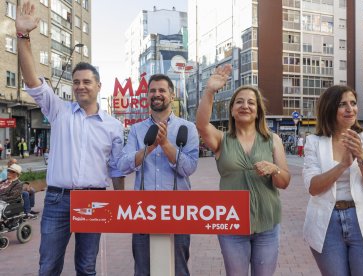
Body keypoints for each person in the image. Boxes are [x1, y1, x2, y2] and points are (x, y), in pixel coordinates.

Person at [16, 2, 125, 275]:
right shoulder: (60, 111)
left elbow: (116, 169)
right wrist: (23, 37)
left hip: (94, 201)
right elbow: (32, 81)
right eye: (76, 82)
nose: (80, 86)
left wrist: (120, 202)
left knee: (87, 268)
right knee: (48, 266)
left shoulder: (113, 125)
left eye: (87, 81)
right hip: (57, 200)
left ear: (99, 86)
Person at [196, 64, 291, 275]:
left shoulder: (272, 140)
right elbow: (202, 125)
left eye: (251, 103)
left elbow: (284, 182)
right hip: (231, 225)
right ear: (232, 109)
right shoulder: (221, 139)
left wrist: (274, 169)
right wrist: (210, 91)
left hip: (267, 225)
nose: (245, 106)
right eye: (239, 102)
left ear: (258, 111)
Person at [302, 85, 363, 275]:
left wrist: (362, 156)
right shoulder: (314, 142)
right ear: (329, 108)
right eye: (342, 104)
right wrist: (342, 165)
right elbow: (313, 187)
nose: (350, 109)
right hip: (327, 224)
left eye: (353, 103)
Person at [117, 73, 199, 276]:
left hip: (178, 211)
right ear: (147, 96)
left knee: (179, 268)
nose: (157, 94)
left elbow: (189, 168)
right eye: (152, 90)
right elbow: (123, 165)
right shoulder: (136, 130)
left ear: (172, 95)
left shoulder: (187, 128)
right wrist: (150, 147)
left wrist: (165, 145)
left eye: (162, 90)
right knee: (143, 269)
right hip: (143, 211)